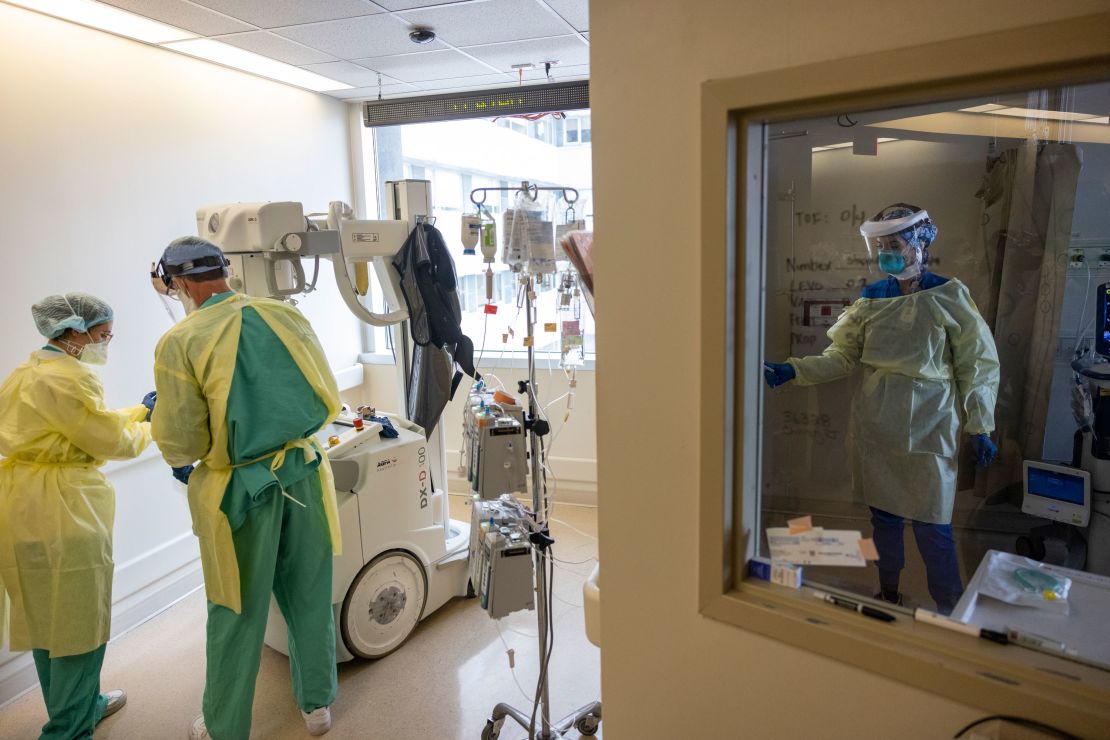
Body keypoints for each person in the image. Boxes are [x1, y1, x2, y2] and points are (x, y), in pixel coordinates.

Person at [763, 203, 1000, 615]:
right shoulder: (871, 299)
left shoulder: (948, 295)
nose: (885, 253)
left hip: (932, 421)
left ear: (920, 242)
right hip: (878, 423)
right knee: (885, 521)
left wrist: (980, 425)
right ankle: (888, 592)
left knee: (933, 527)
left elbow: (976, 364)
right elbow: (842, 357)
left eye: (894, 244)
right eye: (881, 245)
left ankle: (950, 608)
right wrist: (793, 370)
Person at [150, 237, 343, 740]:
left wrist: (180, 452)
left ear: (182, 283)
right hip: (303, 474)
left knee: (236, 609)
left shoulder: (181, 341)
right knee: (309, 593)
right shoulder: (285, 316)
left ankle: (225, 727)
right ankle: (317, 707)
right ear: (226, 270)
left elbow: (181, 440)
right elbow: (327, 396)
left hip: (241, 493)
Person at [0, 293, 152, 738]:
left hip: (21, 503)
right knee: (78, 620)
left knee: (47, 618)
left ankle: (80, 704)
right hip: (63, 507)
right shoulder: (70, 379)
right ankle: (69, 728)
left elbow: (80, 424)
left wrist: (139, 410)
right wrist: (155, 423)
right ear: (73, 331)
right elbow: (110, 441)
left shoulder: (26, 373)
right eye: (103, 335)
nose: (106, 343)